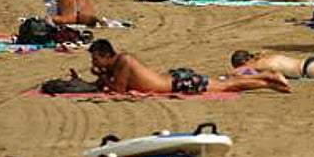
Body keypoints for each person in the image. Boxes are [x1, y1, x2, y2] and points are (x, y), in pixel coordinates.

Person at [87, 39, 290, 94]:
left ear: (105, 56)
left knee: (227, 85)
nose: (94, 64)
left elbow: (118, 90)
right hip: (176, 80)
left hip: (178, 83)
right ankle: (268, 82)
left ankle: (269, 78)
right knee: (226, 83)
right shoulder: (120, 62)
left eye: (96, 60)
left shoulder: (123, 61)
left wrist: (103, 77)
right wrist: (103, 74)